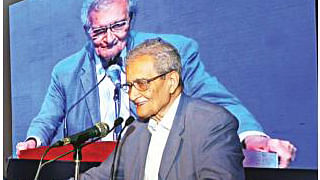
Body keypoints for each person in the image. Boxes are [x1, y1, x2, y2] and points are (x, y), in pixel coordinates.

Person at [16, 0, 296, 168]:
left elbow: (217, 100)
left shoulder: (171, 51)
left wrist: (252, 136)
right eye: (99, 30)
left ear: (131, 19)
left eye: (119, 26)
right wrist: (33, 141)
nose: (110, 37)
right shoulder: (65, 71)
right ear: (87, 30)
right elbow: (47, 118)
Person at [74, 38, 245, 180]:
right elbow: (100, 177)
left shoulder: (213, 124)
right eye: (129, 86)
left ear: (171, 82)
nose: (132, 96)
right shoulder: (134, 131)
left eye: (141, 84)